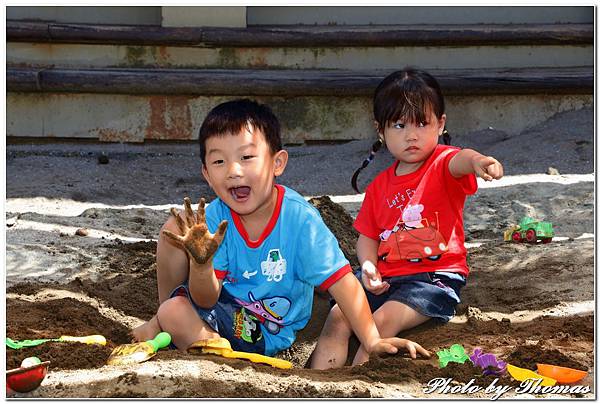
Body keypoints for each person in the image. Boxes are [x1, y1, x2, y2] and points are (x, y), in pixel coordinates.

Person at [131, 98, 430, 362]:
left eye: (247, 157)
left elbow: (344, 284)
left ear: (277, 163)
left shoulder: (299, 221)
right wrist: (201, 264)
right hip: (221, 309)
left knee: (175, 313)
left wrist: (371, 339)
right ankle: (171, 324)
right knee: (174, 247)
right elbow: (207, 299)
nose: (234, 170)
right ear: (207, 176)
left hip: (266, 329)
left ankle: (198, 343)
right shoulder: (214, 220)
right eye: (219, 162)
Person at [309, 67, 504, 369]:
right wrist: (370, 265)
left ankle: (354, 384)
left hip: (432, 278)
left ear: (440, 124)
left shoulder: (442, 164)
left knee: (381, 321)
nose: (411, 135)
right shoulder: (378, 187)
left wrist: (480, 161)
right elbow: (368, 236)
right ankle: (317, 383)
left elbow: (461, 158)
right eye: (399, 125)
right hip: (385, 277)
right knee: (338, 314)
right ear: (380, 131)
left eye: (422, 123)